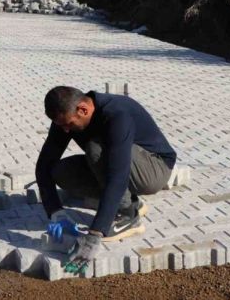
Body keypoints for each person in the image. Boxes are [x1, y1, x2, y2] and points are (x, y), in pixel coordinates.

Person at [35, 86, 176, 274]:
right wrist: (55, 212)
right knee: (61, 172)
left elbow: (118, 175)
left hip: (154, 167)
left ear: (83, 110)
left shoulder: (117, 114)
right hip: (121, 163)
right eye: (61, 125)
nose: (65, 130)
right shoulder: (65, 117)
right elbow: (44, 165)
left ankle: (129, 214)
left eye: (68, 124)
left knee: (95, 149)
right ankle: (128, 201)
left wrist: (94, 234)